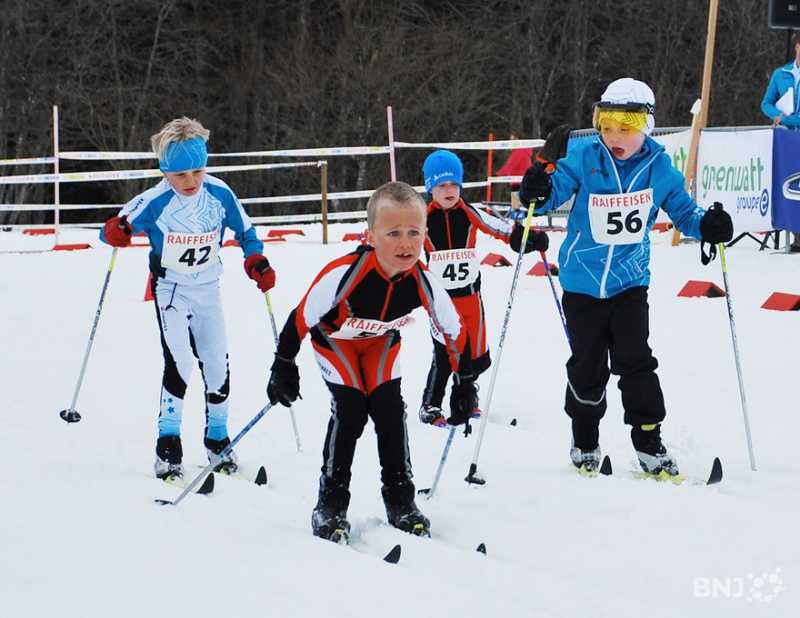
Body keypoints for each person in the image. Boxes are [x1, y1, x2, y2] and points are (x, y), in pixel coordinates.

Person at [519, 78, 733, 477]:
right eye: (607, 125)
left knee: (636, 362)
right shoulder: (584, 157)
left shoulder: (658, 168)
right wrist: (536, 183)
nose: (615, 136)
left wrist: (711, 226)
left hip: (630, 284)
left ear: (646, 128)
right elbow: (547, 195)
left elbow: (685, 214)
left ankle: (648, 439)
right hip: (581, 284)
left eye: (626, 128)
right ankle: (584, 437)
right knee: (588, 366)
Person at [266, 181, 478, 543]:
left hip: (379, 345)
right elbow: (299, 319)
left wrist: (464, 384)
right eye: (393, 233)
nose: (405, 243)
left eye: (414, 232)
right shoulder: (346, 273)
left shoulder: (423, 281)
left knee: (389, 410)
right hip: (337, 344)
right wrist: (284, 364)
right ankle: (330, 504)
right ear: (370, 236)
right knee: (350, 410)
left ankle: (401, 501)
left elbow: (453, 332)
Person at [100, 117, 276, 481]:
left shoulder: (219, 193)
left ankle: (217, 440)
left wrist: (255, 258)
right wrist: (116, 232)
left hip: (208, 290)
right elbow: (115, 227)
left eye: (197, 170)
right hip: (172, 292)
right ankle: (168, 445)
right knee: (179, 361)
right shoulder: (155, 200)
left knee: (216, 363)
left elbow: (246, 231)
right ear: (165, 171)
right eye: (181, 175)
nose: (191, 181)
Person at [418, 149, 548, 427]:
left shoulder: (470, 211)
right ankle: (430, 403)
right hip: (440, 298)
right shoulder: (422, 219)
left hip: (469, 295)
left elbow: (500, 228)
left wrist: (524, 238)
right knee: (444, 352)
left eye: (454, 184)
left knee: (474, 351)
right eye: (441, 185)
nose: (449, 190)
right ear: (431, 188)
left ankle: (465, 397)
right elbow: (402, 240)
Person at [761, 32, 800, 252]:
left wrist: (785, 118)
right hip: (787, 141)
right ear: (796, 47)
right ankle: (796, 236)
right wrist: (776, 114)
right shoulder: (781, 74)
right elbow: (765, 103)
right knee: (791, 186)